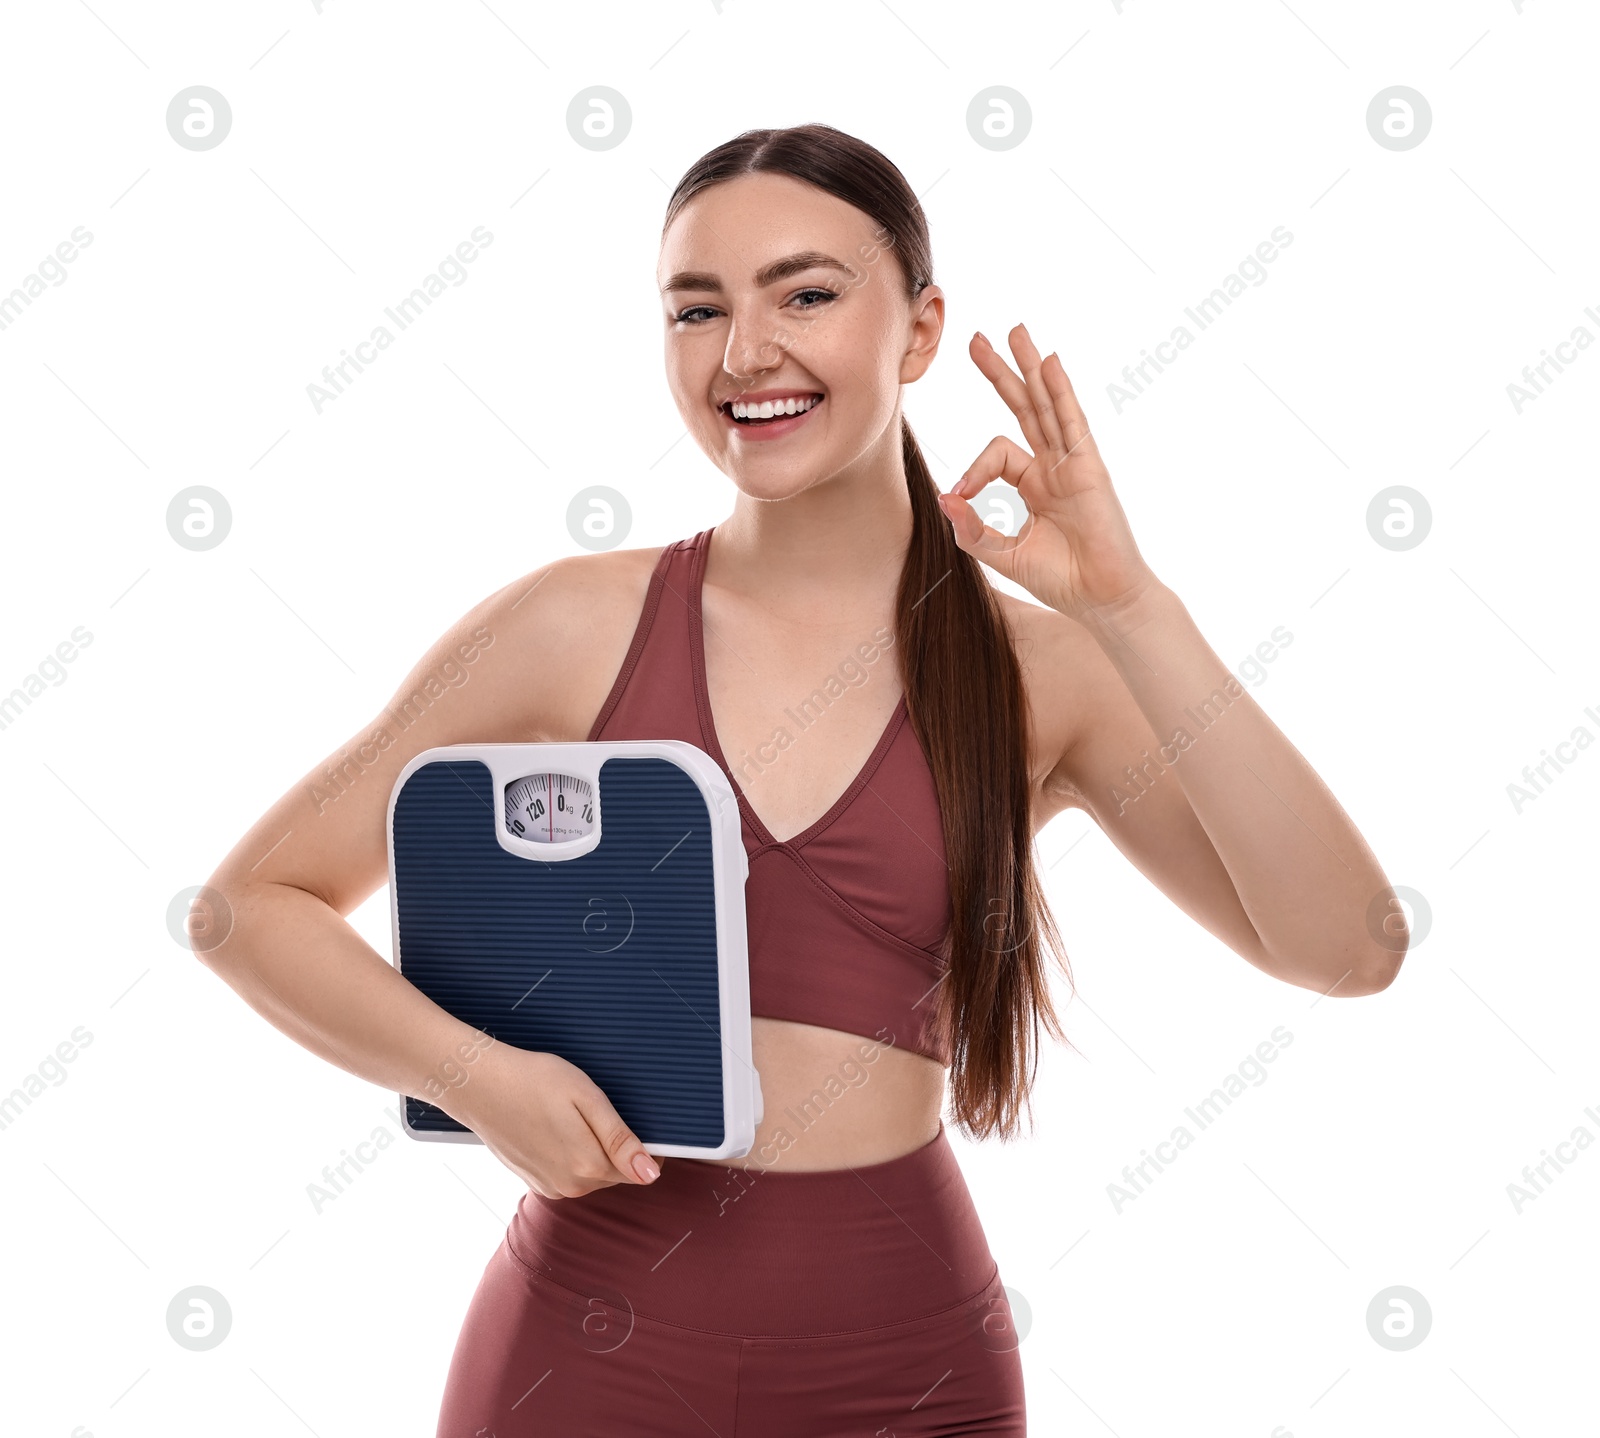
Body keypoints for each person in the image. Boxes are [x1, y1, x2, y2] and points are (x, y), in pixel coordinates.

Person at [195, 122, 1407, 1436]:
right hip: (584, 1353)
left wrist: (1134, 610)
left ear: (920, 328)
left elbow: (1349, 947)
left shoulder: (1040, 676)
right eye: (695, 309)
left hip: (907, 1369)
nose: (742, 354)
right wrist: (477, 1075)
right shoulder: (569, 627)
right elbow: (248, 906)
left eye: (807, 295)